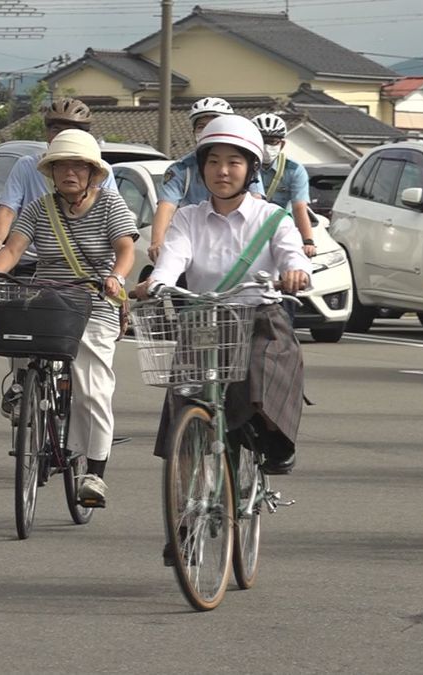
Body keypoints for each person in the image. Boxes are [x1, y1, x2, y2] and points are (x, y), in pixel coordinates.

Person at [138, 115, 312, 479]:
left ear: (250, 169)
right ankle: (182, 500)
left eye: (234, 162)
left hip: (258, 316)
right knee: (184, 398)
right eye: (213, 162)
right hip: (204, 319)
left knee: (264, 370)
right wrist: (159, 281)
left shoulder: (273, 217)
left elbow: (292, 255)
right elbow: (173, 257)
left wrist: (296, 273)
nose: (222, 171)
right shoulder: (188, 218)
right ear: (201, 168)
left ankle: (273, 439)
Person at [0, 129, 138, 507]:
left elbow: (126, 249)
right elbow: (14, 249)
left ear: (92, 173)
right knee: (15, 324)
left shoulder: (110, 205)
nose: (70, 172)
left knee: (91, 387)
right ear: (51, 172)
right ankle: (25, 391)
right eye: (62, 165)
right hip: (48, 297)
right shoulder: (37, 209)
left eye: (78, 166)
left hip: (95, 301)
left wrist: (116, 277)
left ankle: (94, 474)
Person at [0, 98, 120, 419]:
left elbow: (112, 218)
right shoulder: (27, 166)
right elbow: (7, 208)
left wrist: (115, 276)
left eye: (72, 130)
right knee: (17, 314)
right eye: (56, 128)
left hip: (82, 272)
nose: (63, 135)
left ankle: (82, 419)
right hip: (31, 259)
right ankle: (21, 379)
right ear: (46, 133)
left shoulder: (102, 172)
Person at [147, 97, 264, 262]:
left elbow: (257, 205)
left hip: (239, 245)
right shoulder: (180, 169)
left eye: (233, 163)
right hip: (194, 246)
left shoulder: (250, 167)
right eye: (201, 126)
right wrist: (157, 243)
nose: (222, 172)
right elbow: (166, 207)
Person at [251, 113, 316, 258]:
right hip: (250, 230)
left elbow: (299, 207)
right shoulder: (244, 166)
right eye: (262, 141)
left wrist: (308, 241)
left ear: (282, 144)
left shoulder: (294, 170)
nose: (267, 146)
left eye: (273, 141)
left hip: (283, 230)